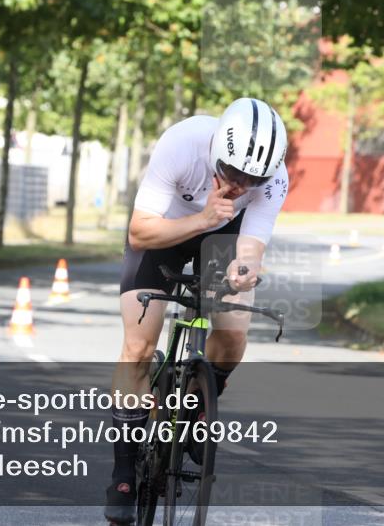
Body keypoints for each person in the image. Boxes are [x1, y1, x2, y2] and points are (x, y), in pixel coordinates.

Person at [105, 98, 289, 524]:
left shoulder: (275, 178)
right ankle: (123, 474)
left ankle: (199, 403)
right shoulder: (182, 143)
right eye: (232, 172)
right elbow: (139, 230)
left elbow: (251, 246)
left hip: (221, 235)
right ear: (215, 152)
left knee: (234, 331)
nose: (242, 184)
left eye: (253, 178)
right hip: (162, 231)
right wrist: (203, 217)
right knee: (137, 346)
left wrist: (244, 272)